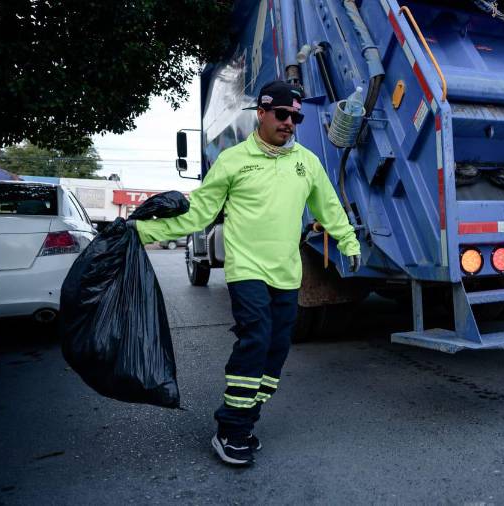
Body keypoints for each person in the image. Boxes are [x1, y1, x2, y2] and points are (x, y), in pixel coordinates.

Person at [131, 80, 361, 466]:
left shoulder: (307, 162)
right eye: (282, 114)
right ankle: (231, 430)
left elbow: (329, 208)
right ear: (262, 113)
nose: (290, 122)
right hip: (247, 271)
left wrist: (349, 243)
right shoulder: (233, 160)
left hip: (287, 275)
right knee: (255, 340)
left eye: (296, 117)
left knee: (275, 351)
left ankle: (246, 420)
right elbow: (199, 213)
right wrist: (141, 231)